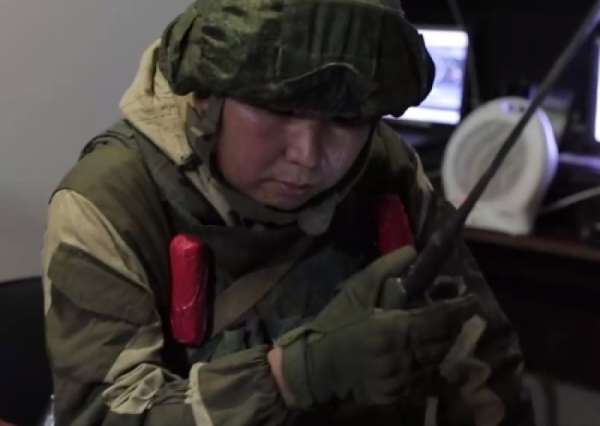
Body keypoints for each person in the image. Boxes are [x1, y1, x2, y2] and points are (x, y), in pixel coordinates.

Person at [42, 0, 533, 424]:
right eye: (279, 110)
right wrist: (295, 375)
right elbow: (102, 416)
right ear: (207, 97)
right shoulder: (112, 199)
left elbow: (481, 360)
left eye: (345, 120)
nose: (308, 155)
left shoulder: (386, 170)